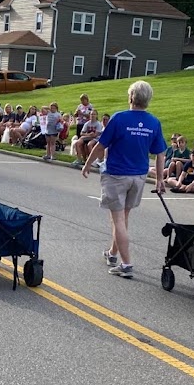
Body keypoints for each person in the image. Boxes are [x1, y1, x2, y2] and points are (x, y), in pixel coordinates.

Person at [82, 80, 166, 280]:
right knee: (122, 217)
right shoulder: (154, 122)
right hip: (138, 176)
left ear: (131, 98)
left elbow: (101, 145)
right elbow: (161, 153)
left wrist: (87, 164)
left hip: (117, 174)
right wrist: (160, 178)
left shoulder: (119, 119)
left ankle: (126, 264)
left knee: (118, 219)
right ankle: (112, 254)